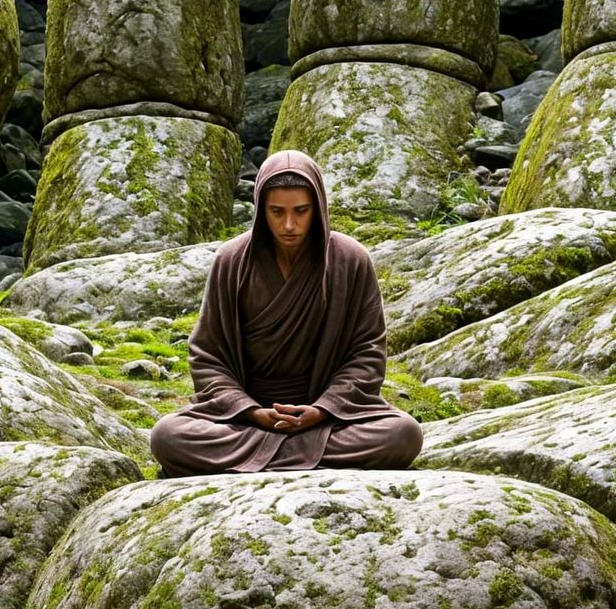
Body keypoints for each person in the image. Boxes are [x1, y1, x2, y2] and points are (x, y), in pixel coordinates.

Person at [149, 149, 424, 475]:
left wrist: (322, 409)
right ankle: (304, 454)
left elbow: (367, 353)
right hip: (249, 419)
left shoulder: (350, 259)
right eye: (277, 212)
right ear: (260, 209)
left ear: (318, 207)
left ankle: (259, 455)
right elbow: (208, 356)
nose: (289, 225)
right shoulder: (232, 261)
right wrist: (251, 411)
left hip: (324, 419)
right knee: (167, 436)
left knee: (404, 434)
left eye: (301, 211)